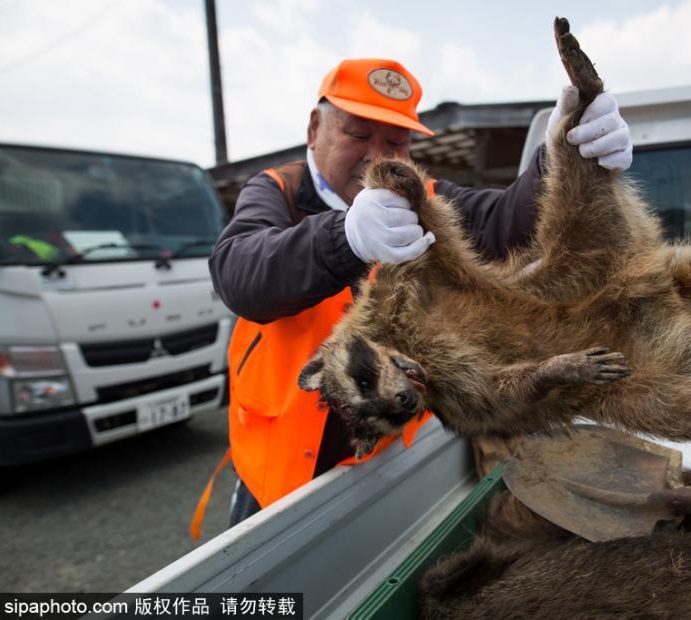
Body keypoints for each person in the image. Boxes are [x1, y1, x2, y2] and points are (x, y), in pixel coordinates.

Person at [207, 58, 633, 527]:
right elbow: (239, 273)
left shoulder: (421, 197)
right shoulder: (276, 192)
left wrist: (560, 157)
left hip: (386, 463)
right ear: (314, 128)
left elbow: (504, 221)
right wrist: (343, 237)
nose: (375, 155)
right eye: (357, 134)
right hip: (277, 473)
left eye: (394, 141)